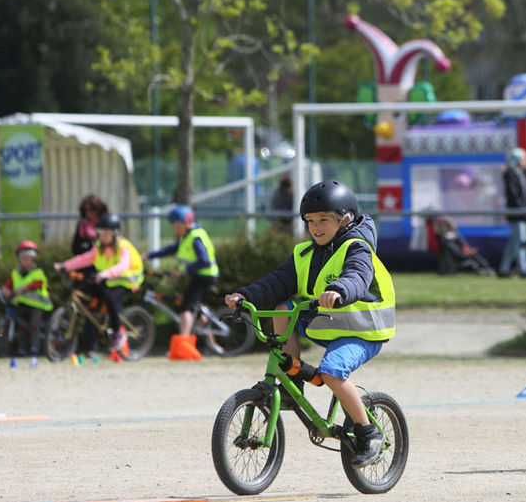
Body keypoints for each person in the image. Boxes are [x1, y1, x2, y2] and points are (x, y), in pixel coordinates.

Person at [224, 180, 394, 466]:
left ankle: (368, 433)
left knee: (331, 373)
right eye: (311, 221)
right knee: (281, 308)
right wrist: (245, 295)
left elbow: (357, 276)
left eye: (324, 220)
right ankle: (292, 381)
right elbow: (276, 283)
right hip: (327, 322)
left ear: (345, 220)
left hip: (363, 329)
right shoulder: (303, 254)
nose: (316, 227)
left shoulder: (357, 248)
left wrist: (340, 290)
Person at [55, 213, 143, 358]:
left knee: (110, 297)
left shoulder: (123, 247)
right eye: (100, 233)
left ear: (114, 234)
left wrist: (105, 274)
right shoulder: (99, 247)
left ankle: (117, 333)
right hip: (110, 279)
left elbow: (123, 265)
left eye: (106, 234)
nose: (102, 237)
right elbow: (84, 259)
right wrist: (65, 266)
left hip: (127, 280)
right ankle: (97, 322)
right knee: (86, 289)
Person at [146, 205, 218, 360]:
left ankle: (183, 343)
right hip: (200, 276)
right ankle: (213, 346)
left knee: (186, 307)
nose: (174, 230)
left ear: (184, 224)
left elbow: (204, 261)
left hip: (204, 277)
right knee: (198, 311)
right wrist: (149, 255)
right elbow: (170, 250)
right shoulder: (187, 236)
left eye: (175, 227)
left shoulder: (195, 237)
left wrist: (183, 272)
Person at [1, 240, 52, 358]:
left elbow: (39, 283)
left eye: (28, 258)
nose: (26, 261)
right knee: (21, 327)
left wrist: (25, 288)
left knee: (35, 326)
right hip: (22, 304)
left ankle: (35, 348)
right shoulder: (15, 273)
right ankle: (22, 349)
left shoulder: (38, 272)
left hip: (37, 305)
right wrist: (5, 290)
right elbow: (8, 284)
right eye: (23, 258)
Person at [498, 148, 526, 277]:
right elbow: (514, 195)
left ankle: (504, 268)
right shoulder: (511, 174)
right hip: (517, 212)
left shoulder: (520, 173)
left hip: (521, 212)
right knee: (521, 240)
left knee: (515, 241)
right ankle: (523, 269)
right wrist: (522, 207)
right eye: (523, 159)